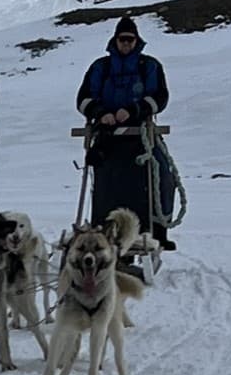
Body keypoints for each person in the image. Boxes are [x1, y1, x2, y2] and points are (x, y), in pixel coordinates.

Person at [76, 17, 178, 246]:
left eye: (130, 39)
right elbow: (83, 98)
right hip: (107, 135)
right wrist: (101, 112)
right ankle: (103, 227)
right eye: (122, 39)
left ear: (136, 40)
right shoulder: (100, 68)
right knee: (107, 180)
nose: (126, 44)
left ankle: (158, 230)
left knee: (162, 174)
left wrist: (134, 110)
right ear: (115, 40)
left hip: (142, 132)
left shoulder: (149, 66)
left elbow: (160, 96)